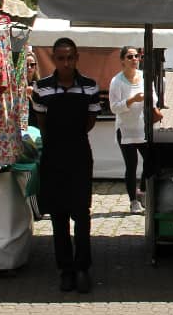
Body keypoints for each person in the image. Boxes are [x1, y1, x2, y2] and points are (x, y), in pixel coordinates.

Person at [31, 37, 102, 294]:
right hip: (53, 155)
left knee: (82, 213)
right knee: (58, 215)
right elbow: (41, 121)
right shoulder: (41, 88)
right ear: (54, 59)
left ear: (76, 58)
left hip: (79, 154)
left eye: (70, 58)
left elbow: (90, 121)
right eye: (61, 58)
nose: (66, 63)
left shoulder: (90, 87)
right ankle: (65, 270)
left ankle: (82, 268)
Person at [109, 45, 162, 214]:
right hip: (125, 130)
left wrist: (149, 99)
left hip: (143, 128)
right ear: (122, 61)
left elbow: (154, 98)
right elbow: (114, 107)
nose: (134, 60)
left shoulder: (144, 77)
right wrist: (132, 100)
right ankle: (133, 201)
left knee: (151, 160)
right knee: (131, 166)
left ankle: (143, 191)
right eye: (130, 57)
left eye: (136, 56)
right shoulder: (116, 81)